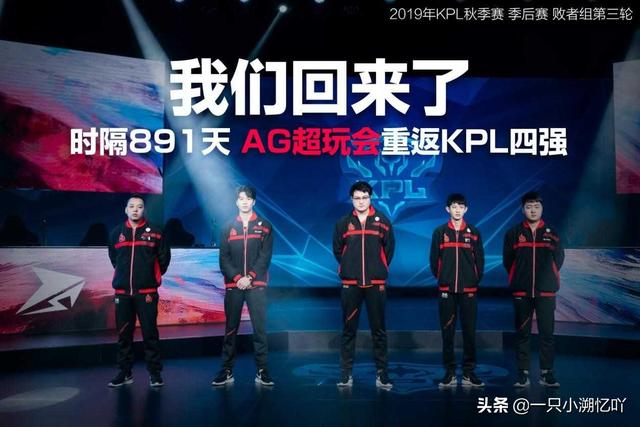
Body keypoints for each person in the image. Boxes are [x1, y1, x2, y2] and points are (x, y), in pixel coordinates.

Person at [333, 181, 395, 389]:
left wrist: (377, 268)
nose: (361, 201)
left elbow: (389, 250)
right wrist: (349, 267)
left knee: (379, 331)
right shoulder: (343, 223)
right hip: (351, 284)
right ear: (352, 200)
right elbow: (338, 250)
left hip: (375, 284)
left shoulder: (382, 221)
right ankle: (346, 375)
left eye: (365, 197)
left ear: (370, 198)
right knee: (348, 331)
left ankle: (382, 375)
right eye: (357, 198)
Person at [212, 185, 275, 386]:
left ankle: (262, 371)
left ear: (253, 201)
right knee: (231, 329)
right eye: (241, 198)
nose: (245, 202)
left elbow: (265, 257)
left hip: (257, 285)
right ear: (236, 202)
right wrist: (238, 277)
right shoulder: (227, 228)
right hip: (234, 285)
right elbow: (224, 259)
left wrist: (251, 277)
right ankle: (227, 370)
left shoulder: (265, 226)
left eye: (248, 198)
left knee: (259, 329)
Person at [107, 194, 171, 387]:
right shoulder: (116, 233)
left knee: (150, 334)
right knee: (123, 335)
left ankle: (155, 373)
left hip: (147, 293)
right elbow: (114, 259)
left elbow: (164, 259)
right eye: (132, 206)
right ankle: (125, 372)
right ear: (126, 210)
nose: (135, 210)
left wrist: (151, 277)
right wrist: (123, 278)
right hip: (123, 294)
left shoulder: (156, 232)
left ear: (144, 210)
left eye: (140, 206)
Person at [503, 191, 564, 388]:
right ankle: (523, 373)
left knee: (547, 334)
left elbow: (558, 259)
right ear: (523, 210)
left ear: (542, 208)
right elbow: (508, 261)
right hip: (522, 292)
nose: (533, 210)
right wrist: (519, 278)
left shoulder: (552, 233)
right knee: (523, 334)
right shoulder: (513, 233)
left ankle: (547, 373)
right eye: (529, 207)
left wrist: (548, 277)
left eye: (536, 207)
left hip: (546, 292)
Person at [430, 193, 485, 388]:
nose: (458, 210)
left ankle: (469, 373)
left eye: (461, 206)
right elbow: (434, 260)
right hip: (446, 290)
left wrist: (473, 280)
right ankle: (450, 373)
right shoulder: (440, 232)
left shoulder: (474, 232)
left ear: (466, 209)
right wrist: (443, 278)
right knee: (448, 333)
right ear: (448, 209)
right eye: (454, 206)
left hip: (469, 290)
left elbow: (480, 260)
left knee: (469, 332)